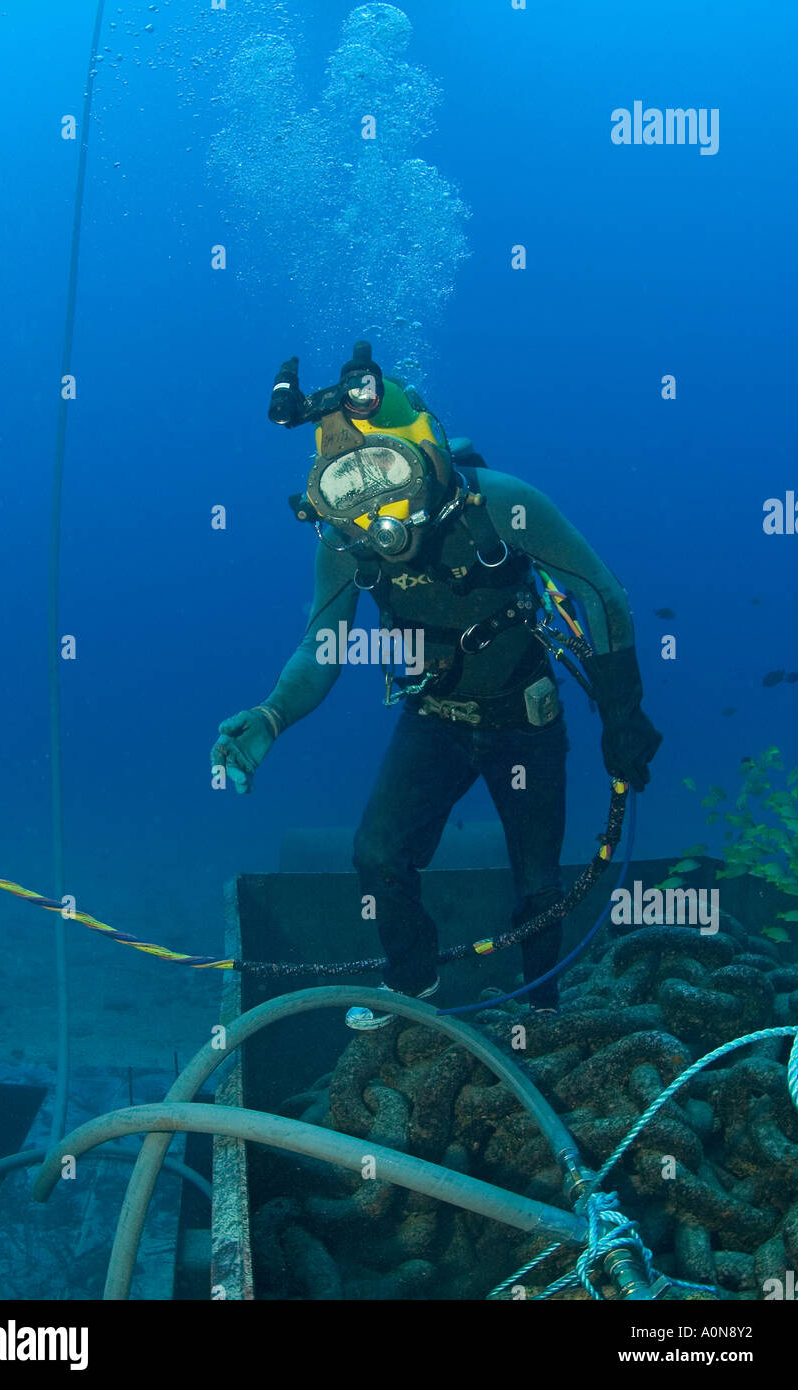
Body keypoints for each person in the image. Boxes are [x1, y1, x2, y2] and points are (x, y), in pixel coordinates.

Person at [211, 343, 662, 1028]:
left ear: (424, 452)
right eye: (347, 490)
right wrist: (272, 716)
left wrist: (622, 712)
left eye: (385, 474)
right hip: (435, 717)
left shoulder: (502, 505)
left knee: (539, 885)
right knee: (377, 854)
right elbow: (321, 644)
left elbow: (599, 592)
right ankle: (412, 986)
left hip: (525, 719)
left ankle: (538, 1014)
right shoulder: (343, 545)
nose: (375, 511)